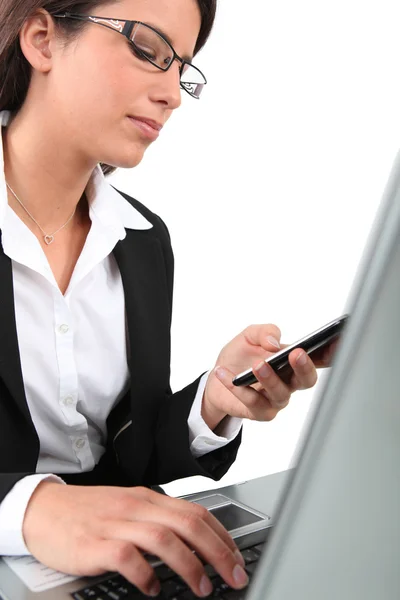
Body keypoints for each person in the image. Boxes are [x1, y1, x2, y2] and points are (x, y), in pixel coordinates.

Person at [0, 0, 328, 597]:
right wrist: (29, 508)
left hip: (106, 577)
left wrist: (214, 402)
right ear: (43, 40)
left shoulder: (143, 241)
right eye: (150, 51)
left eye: (183, 67)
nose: (173, 93)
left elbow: (130, 465)